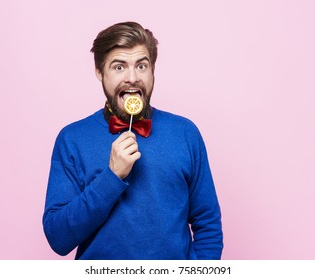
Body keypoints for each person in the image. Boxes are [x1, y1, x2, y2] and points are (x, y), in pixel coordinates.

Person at [43, 21, 223, 260]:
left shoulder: (185, 133)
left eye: (141, 66)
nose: (132, 78)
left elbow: (208, 225)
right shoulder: (72, 139)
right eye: (119, 67)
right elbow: (58, 238)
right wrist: (111, 177)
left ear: (153, 71)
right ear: (100, 72)